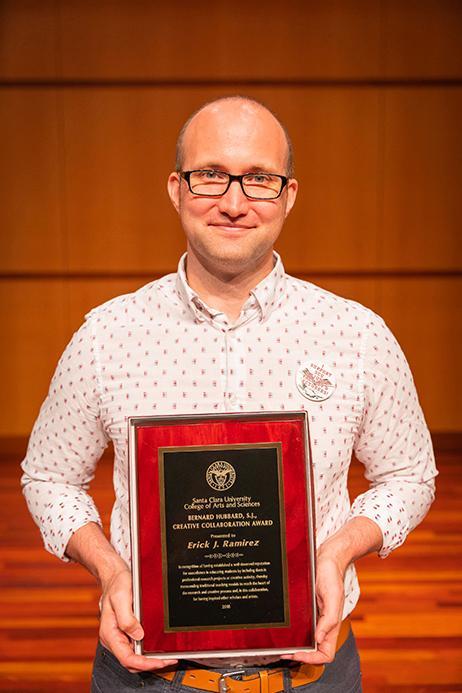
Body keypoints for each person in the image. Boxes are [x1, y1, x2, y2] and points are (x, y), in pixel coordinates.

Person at [21, 96, 437, 692]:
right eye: (211, 175)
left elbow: (410, 475)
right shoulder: (107, 335)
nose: (234, 202)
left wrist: (339, 550)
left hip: (314, 677)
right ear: (176, 188)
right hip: (146, 678)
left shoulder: (358, 335)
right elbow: (48, 477)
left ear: (289, 195)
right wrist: (110, 570)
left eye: (260, 179)